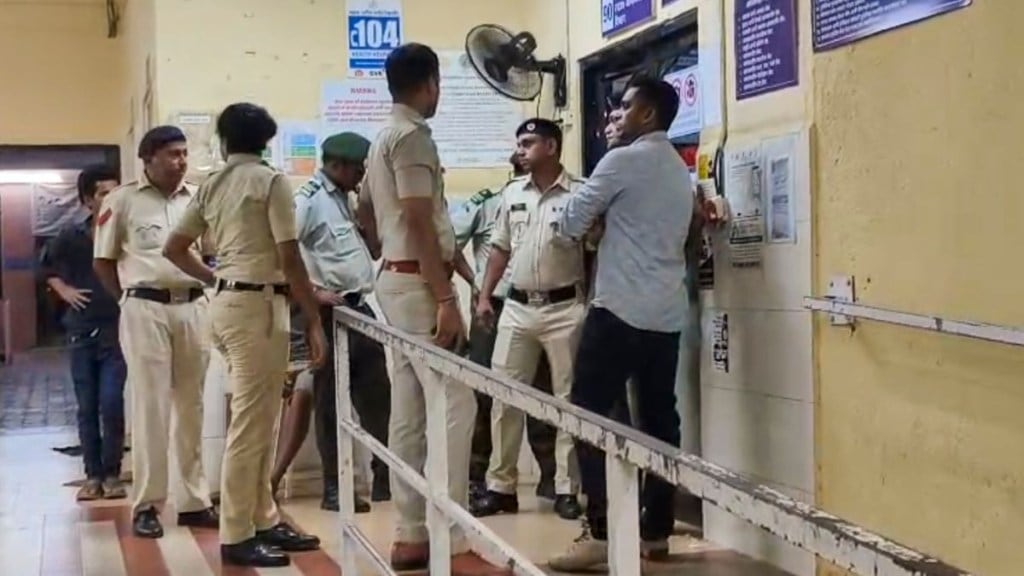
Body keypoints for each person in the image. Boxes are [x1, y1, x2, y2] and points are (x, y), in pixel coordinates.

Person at [360, 42, 510, 576]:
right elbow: (420, 219)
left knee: (408, 406)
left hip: (395, 278)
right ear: (429, 83)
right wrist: (446, 297)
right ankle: (454, 533)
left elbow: (366, 212)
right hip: (420, 286)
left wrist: (398, 255)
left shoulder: (381, 137)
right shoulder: (413, 137)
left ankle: (410, 532)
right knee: (454, 403)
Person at [163, 102, 325, 567]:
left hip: (229, 305)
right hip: (257, 308)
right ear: (266, 141)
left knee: (260, 419)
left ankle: (263, 517)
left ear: (224, 140)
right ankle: (236, 534)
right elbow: (289, 256)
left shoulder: (213, 183)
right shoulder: (270, 181)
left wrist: (217, 278)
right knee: (252, 426)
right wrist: (313, 317)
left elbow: (175, 247)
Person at [548, 76, 693, 571]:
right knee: (659, 421)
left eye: (625, 107)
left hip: (618, 311)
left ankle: (602, 532)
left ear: (647, 115)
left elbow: (568, 224)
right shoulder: (678, 170)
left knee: (587, 415)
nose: (616, 115)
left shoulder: (622, 160)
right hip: (666, 315)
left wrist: (600, 222)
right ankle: (656, 530)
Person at [93, 126, 218, 539]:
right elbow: (103, 261)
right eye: (172, 154)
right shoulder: (122, 200)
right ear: (148, 158)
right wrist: (128, 301)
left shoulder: (198, 198)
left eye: (184, 153)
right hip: (144, 308)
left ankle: (194, 502)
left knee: (192, 406)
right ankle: (147, 504)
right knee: (151, 409)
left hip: (193, 307)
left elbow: (210, 254)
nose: (180, 161)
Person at [472, 119, 585, 521]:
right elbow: (499, 248)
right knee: (504, 396)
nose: (520, 149)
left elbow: (595, 248)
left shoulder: (580, 193)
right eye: (519, 143)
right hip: (517, 307)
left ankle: (567, 488)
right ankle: (501, 486)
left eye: (529, 142)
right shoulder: (512, 193)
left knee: (568, 401)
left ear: (551, 147)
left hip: (564, 308)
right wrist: (484, 297)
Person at [285, 132, 392, 513]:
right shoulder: (309, 200)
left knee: (378, 396)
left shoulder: (346, 199)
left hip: (358, 308)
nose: (362, 175)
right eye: (358, 169)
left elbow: (372, 250)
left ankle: (384, 477)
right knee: (330, 402)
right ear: (336, 166)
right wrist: (312, 292)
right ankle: (334, 487)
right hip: (327, 314)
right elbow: (283, 252)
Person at [449, 152, 558, 504]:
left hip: (538, 305)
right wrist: (476, 283)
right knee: (485, 392)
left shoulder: (557, 201)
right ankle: (480, 476)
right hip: (493, 307)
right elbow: (448, 242)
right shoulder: (488, 202)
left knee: (543, 394)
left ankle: (551, 477)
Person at [41, 164, 127, 501]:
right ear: (87, 200)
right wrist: (64, 290)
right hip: (80, 331)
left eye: (116, 192)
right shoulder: (71, 236)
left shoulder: (126, 233)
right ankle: (93, 475)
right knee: (87, 405)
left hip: (116, 329)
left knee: (112, 403)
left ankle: (112, 473)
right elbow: (44, 268)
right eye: (104, 193)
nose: (111, 199)